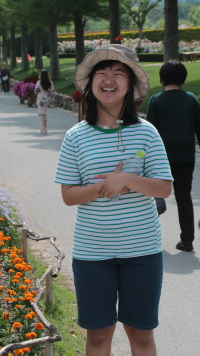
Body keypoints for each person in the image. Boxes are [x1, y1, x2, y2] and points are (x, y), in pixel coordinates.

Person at [55, 45, 173, 356]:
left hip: (142, 253)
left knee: (141, 335)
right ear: (91, 83)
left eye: (118, 73)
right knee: (97, 336)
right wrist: (103, 187)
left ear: (130, 85)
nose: (109, 79)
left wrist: (126, 180)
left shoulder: (147, 133)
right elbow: (68, 196)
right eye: (102, 73)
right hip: (93, 254)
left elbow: (163, 189)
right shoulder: (76, 137)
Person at [146, 60, 200, 252]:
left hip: (161, 158)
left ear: (161, 78)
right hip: (185, 157)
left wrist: (139, 155)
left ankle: (148, 236)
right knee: (183, 197)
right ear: (184, 79)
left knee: (153, 196)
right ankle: (187, 240)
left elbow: (148, 133)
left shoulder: (156, 100)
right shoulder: (192, 99)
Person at [34, 69, 55, 134]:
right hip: (47, 99)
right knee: (44, 113)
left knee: (43, 114)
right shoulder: (50, 82)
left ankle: (44, 128)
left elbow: (35, 91)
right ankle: (43, 127)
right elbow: (52, 91)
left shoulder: (39, 82)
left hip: (41, 99)